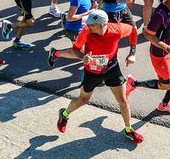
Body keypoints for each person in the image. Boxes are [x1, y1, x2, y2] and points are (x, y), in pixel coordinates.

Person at [48, 10, 143, 144]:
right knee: (83, 100)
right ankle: (64, 114)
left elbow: (133, 30)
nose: (88, 26)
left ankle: (129, 129)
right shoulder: (86, 31)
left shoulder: (117, 30)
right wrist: (83, 57)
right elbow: (75, 49)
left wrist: (132, 53)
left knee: (123, 101)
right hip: (91, 72)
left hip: (112, 68)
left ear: (102, 25)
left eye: (92, 25)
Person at [125, 0, 170, 115]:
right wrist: (166, 47)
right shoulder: (159, 15)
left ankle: (164, 105)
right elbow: (148, 34)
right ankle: (133, 83)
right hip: (161, 54)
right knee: (165, 85)